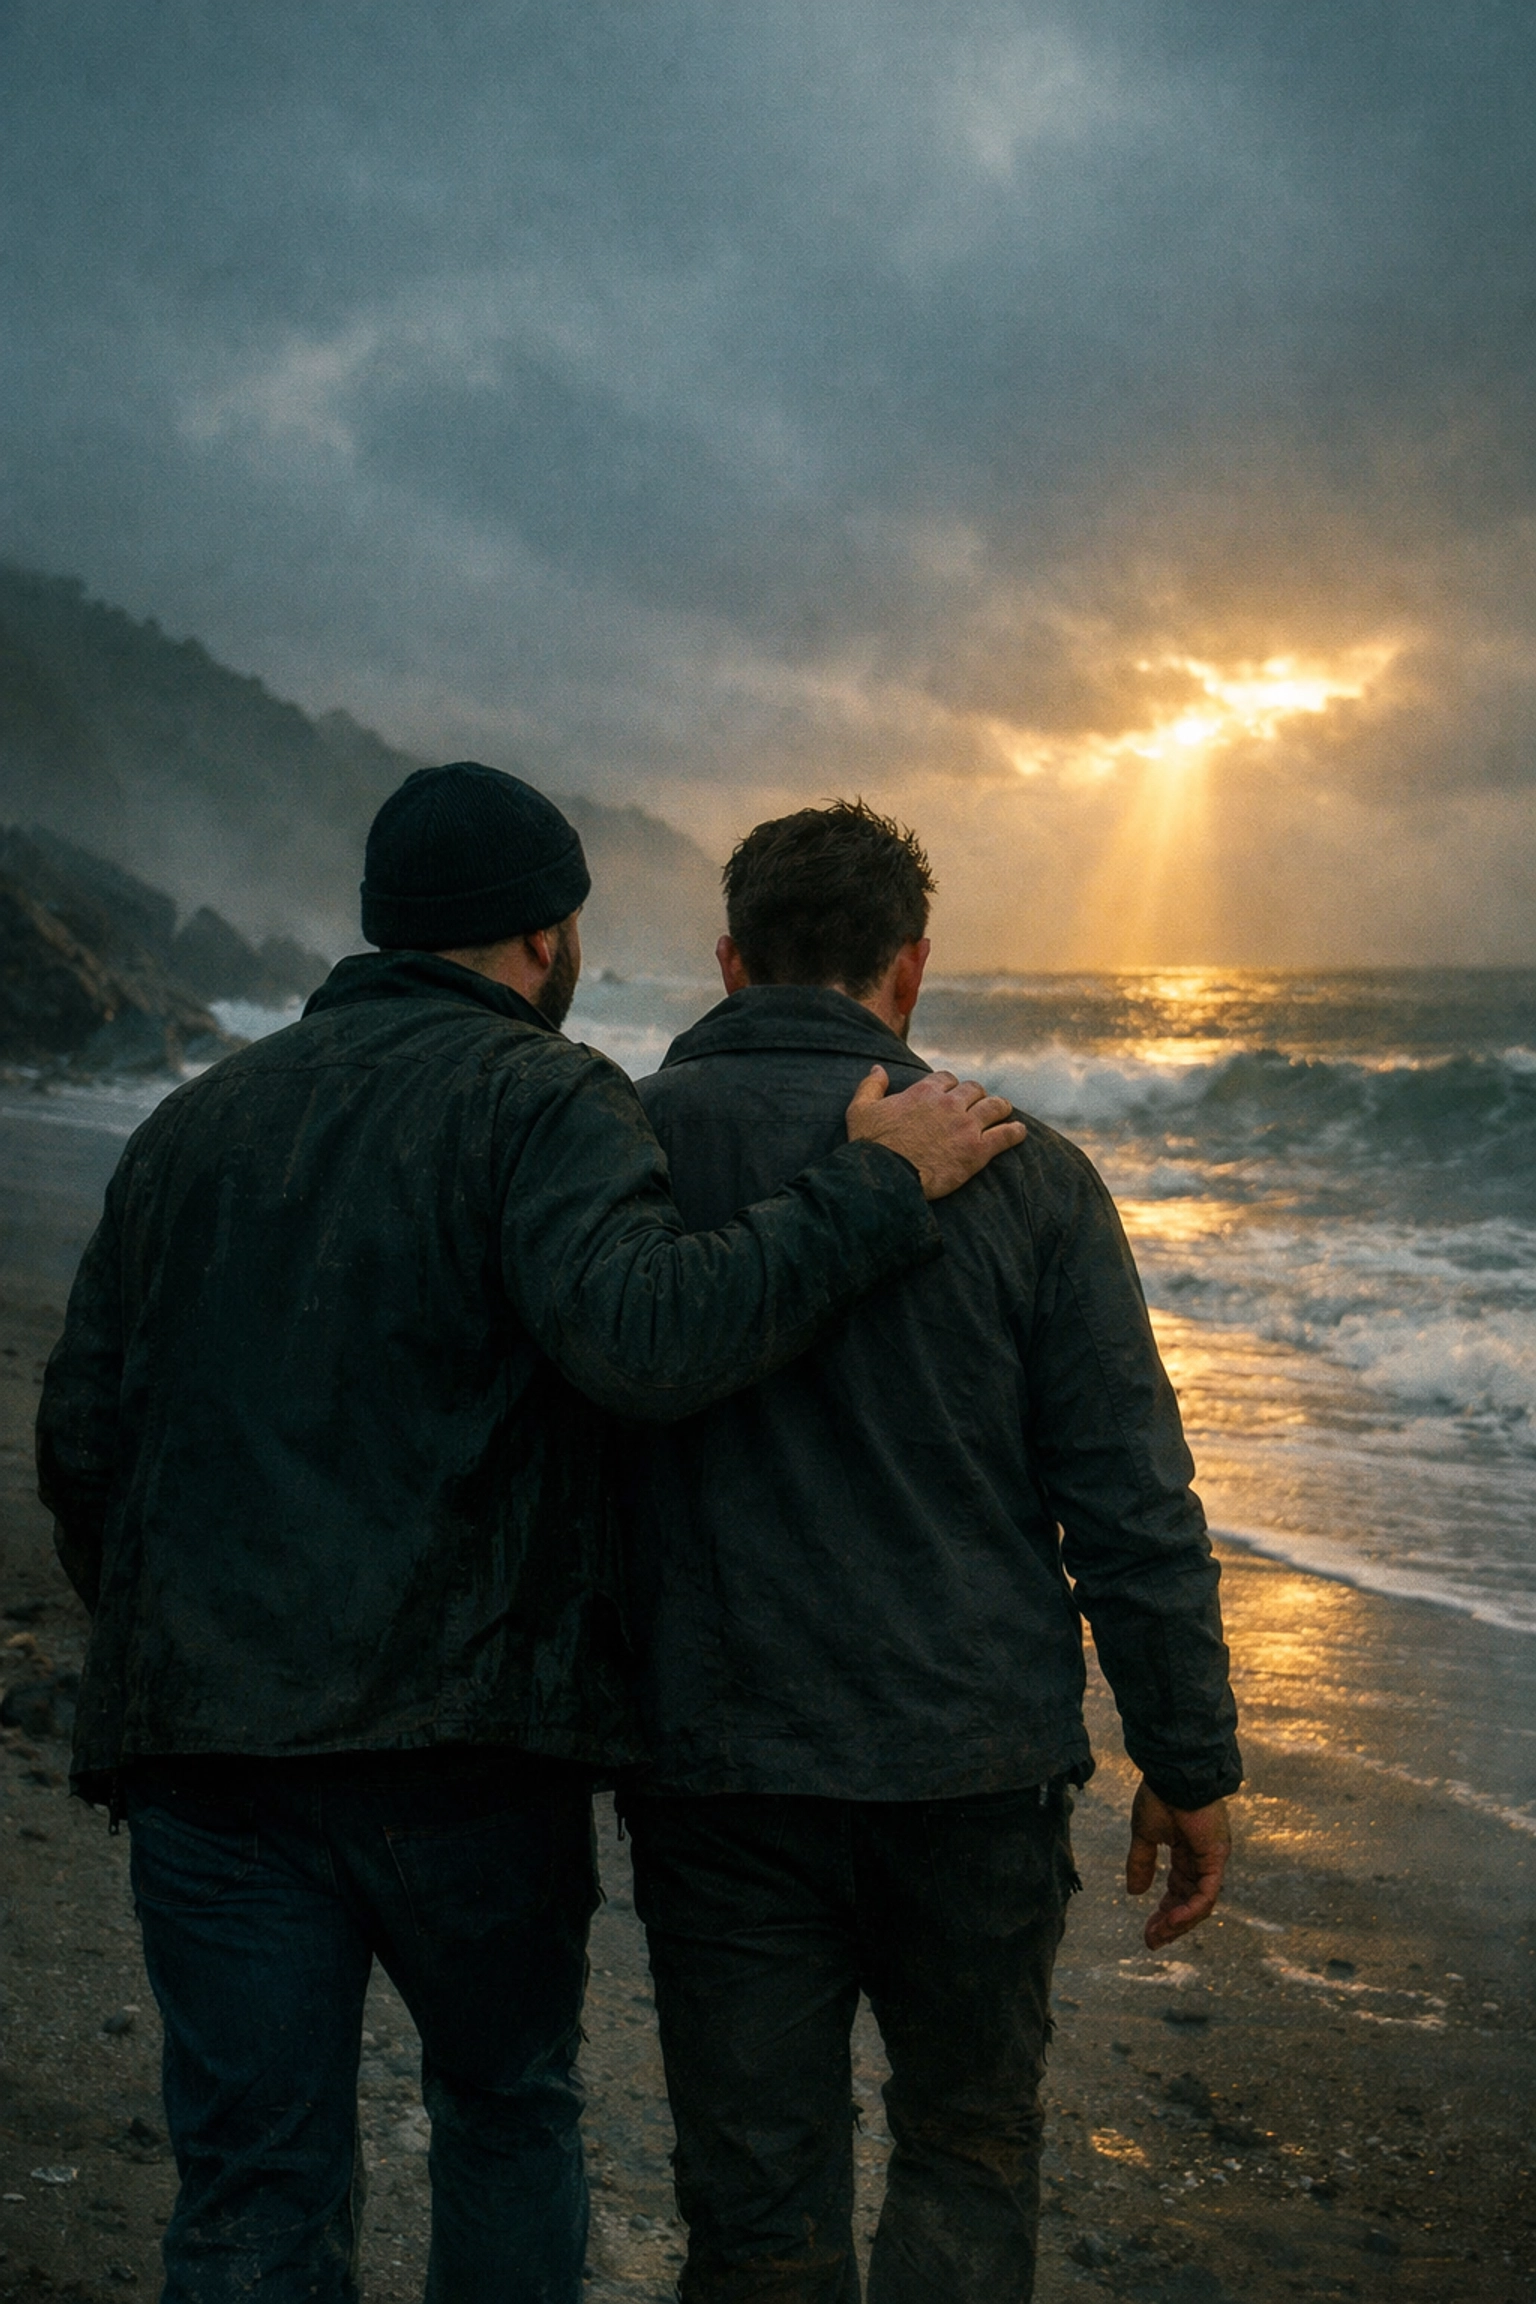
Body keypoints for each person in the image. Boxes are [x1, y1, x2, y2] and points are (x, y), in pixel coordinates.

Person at [35, 764, 1025, 2304]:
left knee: (248, 2183)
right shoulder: (539, 1097)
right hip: (462, 1754)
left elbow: (83, 1432)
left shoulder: (188, 1125)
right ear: (547, 941)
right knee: (500, 2116)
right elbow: (643, 1338)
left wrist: (177, 1643)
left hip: (210, 1759)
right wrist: (872, 1188)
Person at [623, 800, 1242, 2304]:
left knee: (756, 2196)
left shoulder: (621, 1145)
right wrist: (1191, 1757)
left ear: (727, 962)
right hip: (971, 1762)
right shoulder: (1029, 1172)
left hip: (719, 1762)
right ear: (909, 971)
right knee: (966, 2146)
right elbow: (1130, 1500)